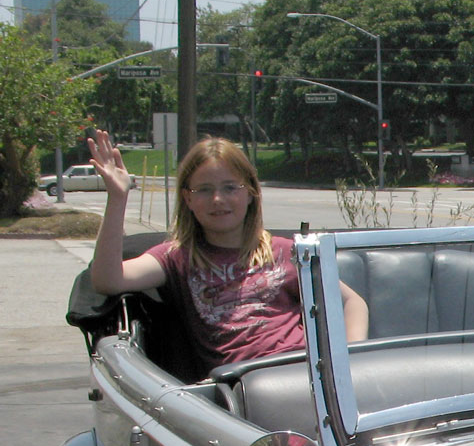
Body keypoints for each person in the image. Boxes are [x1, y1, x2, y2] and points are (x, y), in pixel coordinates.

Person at [86, 129, 367, 371]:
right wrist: (117, 198)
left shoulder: (288, 252)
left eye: (230, 188)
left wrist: (351, 363)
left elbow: (351, 302)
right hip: (244, 385)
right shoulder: (177, 257)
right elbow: (108, 280)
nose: (218, 199)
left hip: (304, 369)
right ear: (187, 199)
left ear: (250, 193)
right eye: (204, 190)